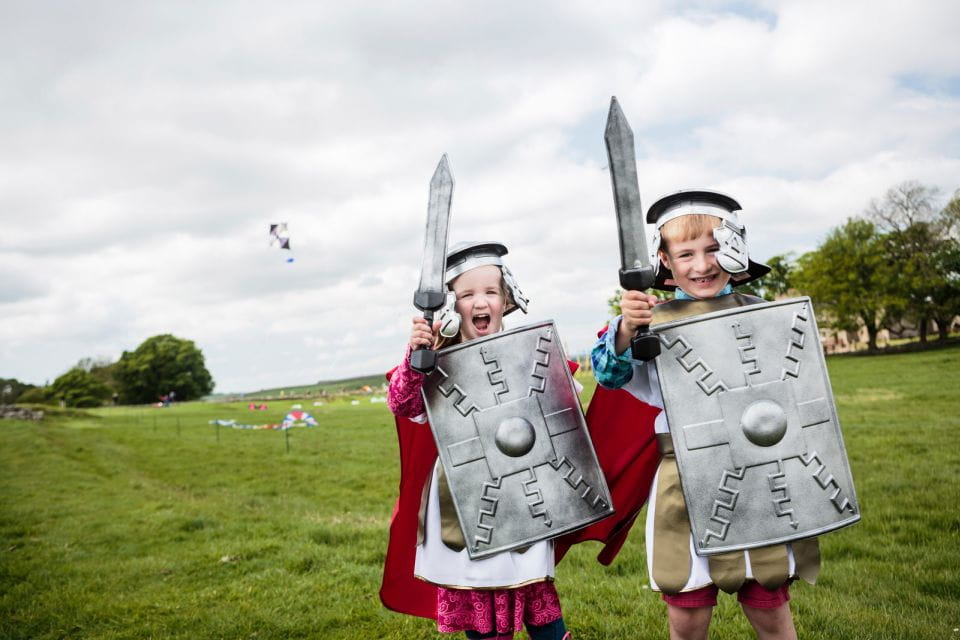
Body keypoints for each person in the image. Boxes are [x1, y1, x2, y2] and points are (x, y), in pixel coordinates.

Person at [590, 190, 819, 640]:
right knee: (688, 612)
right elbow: (608, 374)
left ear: (735, 249)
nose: (702, 265)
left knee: (768, 603)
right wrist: (626, 328)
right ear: (665, 262)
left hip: (760, 474)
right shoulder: (648, 323)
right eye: (686, 254)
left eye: (713, 249)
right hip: (686, 481)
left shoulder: (759, 313)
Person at [381, 241, 571, 640]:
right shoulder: (435, 360)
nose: (480, 302)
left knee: (537, 598)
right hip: (465, 499)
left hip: (524, 492)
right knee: (480, 593)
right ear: (452, 306)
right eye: (467, 294)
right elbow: (403, 405)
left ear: (507, 298)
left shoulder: (528, 348)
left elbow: (560, 417)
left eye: (490, 291)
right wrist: (416, 354)